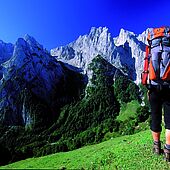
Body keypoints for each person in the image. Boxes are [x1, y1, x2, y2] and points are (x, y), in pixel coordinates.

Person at [146, 27, 170, 161]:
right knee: (169, 120)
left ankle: (156, 148)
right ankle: (168, 151)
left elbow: (145, 66)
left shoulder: (150, 48)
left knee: (155, 116)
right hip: (169, 86)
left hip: (154, 87)